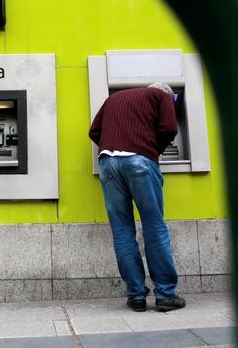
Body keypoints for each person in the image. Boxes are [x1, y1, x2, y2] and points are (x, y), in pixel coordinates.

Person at [88, 82, 186, 313]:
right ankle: (165, 295)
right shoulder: (162, 95)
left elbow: (94, 131)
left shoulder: (114, 99)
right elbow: (170, 128)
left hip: (108, 163)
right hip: (140, 161)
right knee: (154, 227)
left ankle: (136, 295)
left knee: (122, 231)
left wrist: (115, 148)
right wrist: (153, 150)